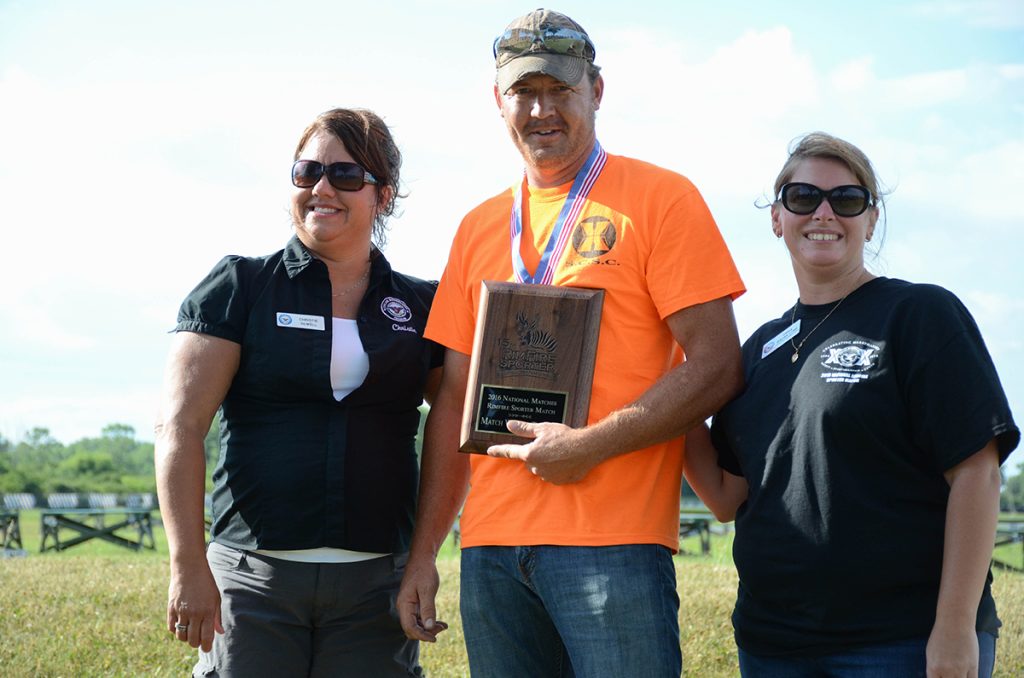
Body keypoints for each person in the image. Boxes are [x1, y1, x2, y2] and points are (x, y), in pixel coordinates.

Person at [397, 9, 746, 677]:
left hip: (612, 546)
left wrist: (587, 446)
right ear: (498, 100)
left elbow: (716, 366)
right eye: (524, 92)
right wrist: (425, 555)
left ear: (597, 90)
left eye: (560, 89)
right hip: (491, 549)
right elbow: (450, 404)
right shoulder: (477, 226)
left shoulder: (662, 200)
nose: (540, 109)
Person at [683, 131, 1020, 677]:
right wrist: (669, 395)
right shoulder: (758, 351)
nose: (823, 212)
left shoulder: (918, 314)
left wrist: (956, 629)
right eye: (801, 197)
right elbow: (725, 496)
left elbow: (977, 474)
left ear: (871, 218)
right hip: (773, 646)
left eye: (846, 199)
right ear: (776, 217)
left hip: (899, 642)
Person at [154, 108, 444, 677]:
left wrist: (424, 558)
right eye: (307, 171)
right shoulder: (238, 286)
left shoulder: (421, 305)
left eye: (345, 175)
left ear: (382, 195)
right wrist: (187, 564)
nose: (322, 188)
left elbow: (456, 421)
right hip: (252, 578)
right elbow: (179, 428)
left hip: (376, 584)